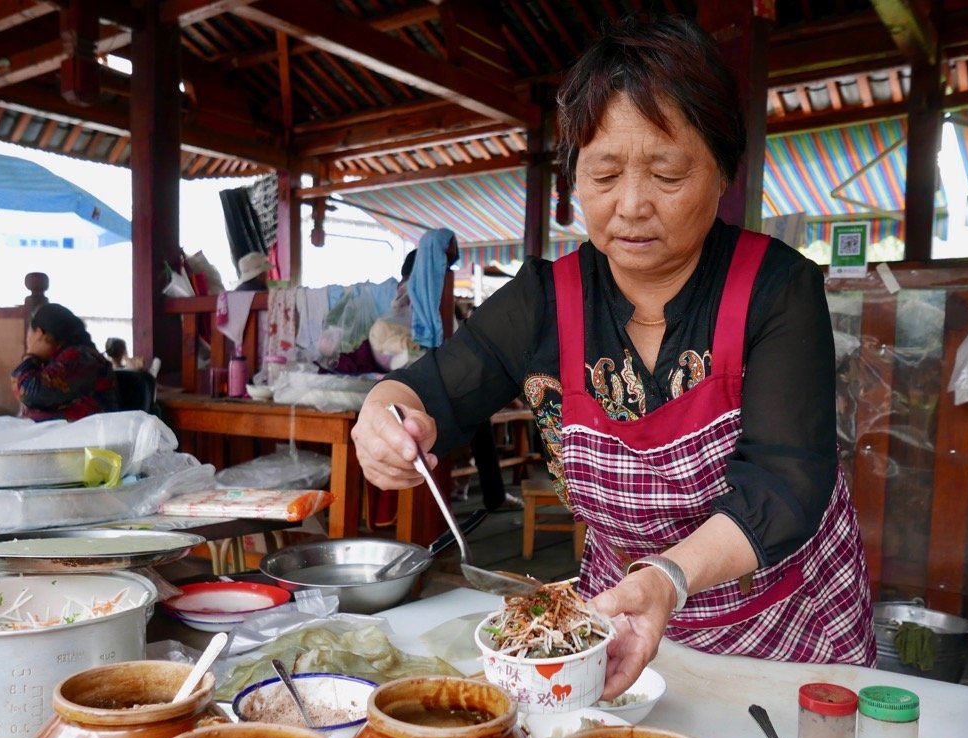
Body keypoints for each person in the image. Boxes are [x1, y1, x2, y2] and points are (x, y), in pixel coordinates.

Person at [350, 15, 874, 699]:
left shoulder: (776, 290)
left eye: (666, 172)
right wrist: (382, 421)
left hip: (785, 632)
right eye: (603, 173)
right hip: (619, 628)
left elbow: (784, 483)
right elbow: (427, 393)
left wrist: (670, 578)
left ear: (721, 170)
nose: (631, 205)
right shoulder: (544, 298)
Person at [12, 303, 118, 422]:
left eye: (30, 332)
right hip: (63, 436)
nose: (28, 340)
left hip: (83, 437)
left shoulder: (80, 357)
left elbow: (29, 394)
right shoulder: (57, 360)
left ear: (39, 334)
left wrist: (30, 356)